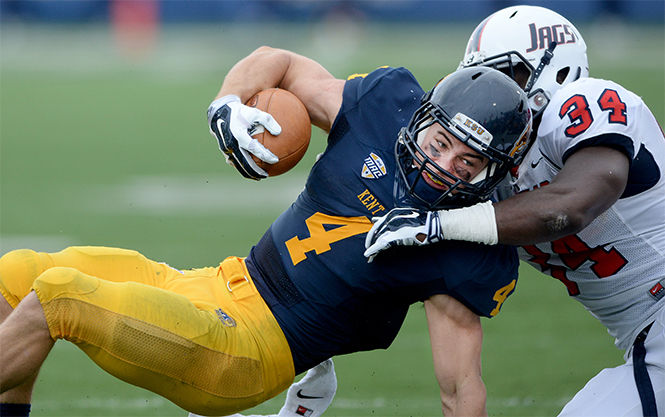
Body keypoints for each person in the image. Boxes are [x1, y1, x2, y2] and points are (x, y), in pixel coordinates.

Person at [0, 47, 533, 416]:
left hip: (248, 349)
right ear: (421, 118)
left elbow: (461, 388)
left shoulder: (463, 244)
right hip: (218, 283)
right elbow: (280, 61)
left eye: (468, 163)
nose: (442, 166)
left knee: (59, 298)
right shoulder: (383, 107)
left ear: (495, 173)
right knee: (15, 274)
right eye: (441, 142)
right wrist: (228, 102)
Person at [364, 5, 665, 417]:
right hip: (646, 337)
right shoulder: (492, 165)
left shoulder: (582, 102)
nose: (490, 90)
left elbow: (571, 205)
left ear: (554, 71)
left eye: (505, 74)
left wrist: (439, 225)